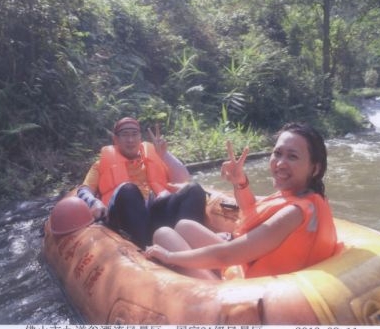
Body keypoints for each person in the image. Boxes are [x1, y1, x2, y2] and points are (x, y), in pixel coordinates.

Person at [144, 122, 337, 280]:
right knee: (184, 226)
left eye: (292, 156)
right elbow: (253, 209)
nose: (280, 163)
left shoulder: (294, 212)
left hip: (248, 292)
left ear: (315, 168)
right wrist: (240, 181)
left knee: (163, 234)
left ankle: (209, 283)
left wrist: (170, 256)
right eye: (277, 153)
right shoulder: (307, 197)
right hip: (248, 268)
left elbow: (226, 255)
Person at [77, 117, 206, 247]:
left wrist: (164, 155)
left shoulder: (156, 156)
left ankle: (189, 243)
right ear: (116, 139)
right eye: (125, 135)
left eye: (134, 134)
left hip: (153, 213)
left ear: (140, 138)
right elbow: (84, 190)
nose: (130, 140)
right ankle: (146, 249)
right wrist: (94, 202)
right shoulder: (100, 165)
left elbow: (183, 178)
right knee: (128, 190)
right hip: (124, 217)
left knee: (193, 189)